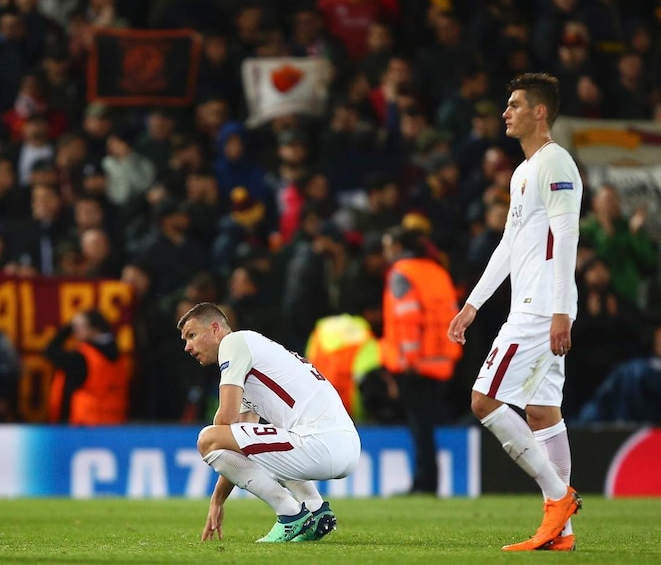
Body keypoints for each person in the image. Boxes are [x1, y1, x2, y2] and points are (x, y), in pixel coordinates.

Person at [447, 73, 583, 552]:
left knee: (484, 401)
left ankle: (557, 496)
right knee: (544, 413)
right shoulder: (523, 172)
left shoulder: (555, 162)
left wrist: (561, 309)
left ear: (539, 112)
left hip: (541, 307)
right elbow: (509, 244)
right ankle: (560, 534)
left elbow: (567, 235)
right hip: (536, 304)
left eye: (515, 104)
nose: (506, 112)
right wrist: (473, 304)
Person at [177, 302, 360, 543]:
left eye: (192, 335)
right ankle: (315, 510)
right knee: (260, 442)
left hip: (319, 443)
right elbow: (238, 446)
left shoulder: (234, 343)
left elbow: (225, 423)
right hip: (344, 446)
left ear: (215, 329)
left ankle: (289, 513)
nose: (188, 347)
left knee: (206, 438)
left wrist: (215, 433)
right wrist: (218, 500)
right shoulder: (254, 354)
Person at [379, 226, 462, 494]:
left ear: (399, 246)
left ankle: (424, 484)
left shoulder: (402, 273)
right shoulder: (437, 272)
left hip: (414, 364)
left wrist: (410, 359)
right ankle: (427, 481)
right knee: (425, 426)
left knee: (419, 428)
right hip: (440, 361)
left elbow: (407, 317)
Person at [45, 308, 130, 424]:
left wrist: (68, 328)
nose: (76, 331)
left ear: (94, 329)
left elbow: (50, 351)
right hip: (114, 422)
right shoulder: (118, 354)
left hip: (85, 425)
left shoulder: (83, 358)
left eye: (80, 326)